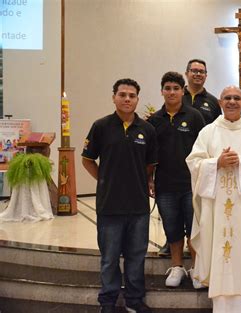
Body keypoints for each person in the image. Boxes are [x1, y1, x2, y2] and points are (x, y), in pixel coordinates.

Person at [186, 86, 241, 313]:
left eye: (237, 98)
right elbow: (194, 162)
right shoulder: (208, 132)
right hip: (216, 207)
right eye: (227, 98)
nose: (232, 102)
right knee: (220, 249)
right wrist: (216, 163)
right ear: (220, 102)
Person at [82, 78, 157, 313]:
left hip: (138, 207)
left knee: (136, 256)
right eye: (122, 94)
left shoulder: (147, 129)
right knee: (110, 258)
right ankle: (108, 301)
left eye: (132, 95)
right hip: (110, 206)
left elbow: (149, 165)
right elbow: (87, 159)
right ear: (113, 96)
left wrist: (135, 181)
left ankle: (134, 299)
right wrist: (104, 180)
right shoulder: (101, 126)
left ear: (137, 99)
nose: (127, 99)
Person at [147, 72, 206, 288]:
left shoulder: (195, 116)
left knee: (194, 228)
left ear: (183, 91)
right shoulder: (154, 120)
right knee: (171, 227)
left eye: (176, 88)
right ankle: (177, 266)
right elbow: (150, 155)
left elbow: (204, 150)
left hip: (192, 184)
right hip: (165, 185)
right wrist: (150, 179)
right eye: (168, 88)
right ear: (162, 91)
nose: (172, 92)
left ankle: (197, 268)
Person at [183, 59, 221, 124]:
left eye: (201, 72)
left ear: (206, 76)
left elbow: (218, 127)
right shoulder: (177, 97)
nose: (198, 74)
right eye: (194, 71)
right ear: (186, 74)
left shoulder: (213, 101)